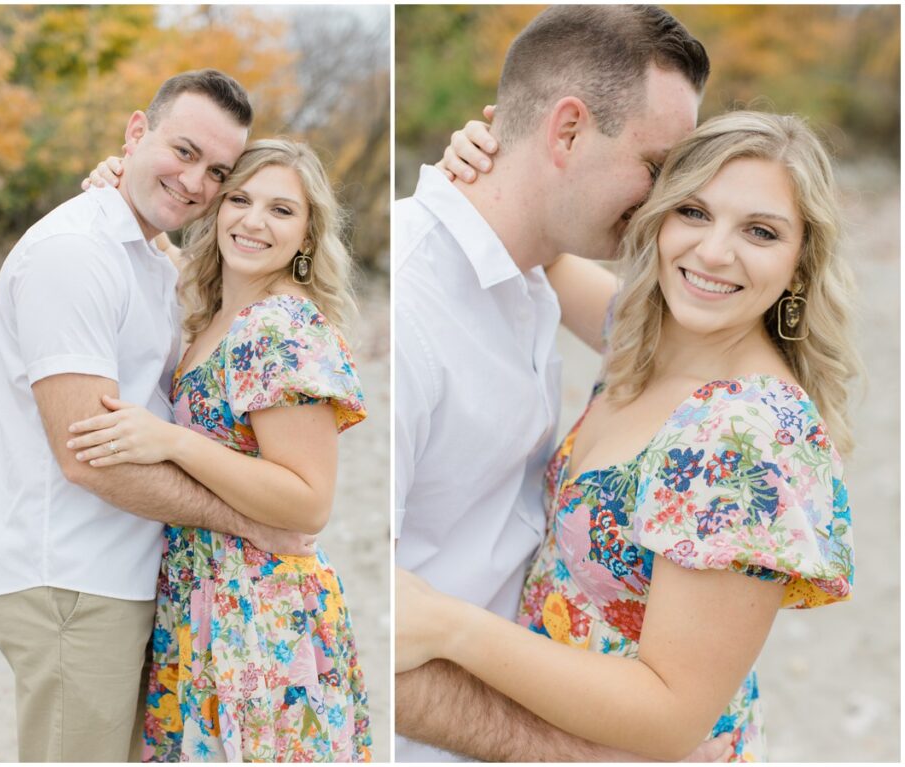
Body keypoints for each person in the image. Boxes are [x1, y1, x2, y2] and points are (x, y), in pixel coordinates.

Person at [397, 110, 859, 762]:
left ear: (801, 260)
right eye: (694, 212)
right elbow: (528, 240)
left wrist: (448, 626)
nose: (713, 251)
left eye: (760, 231)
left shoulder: (746, 440)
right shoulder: (646, 334)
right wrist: (483, 163)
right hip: (547, 733)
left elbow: (671, 714)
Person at [394, 5, 729, 761]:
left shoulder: (533, 274)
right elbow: (362, 622)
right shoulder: (417, 308)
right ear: (568, 130)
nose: (667, 200)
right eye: (657, 166)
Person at [0, 70, 316, 762]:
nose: (196, 181)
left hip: (135, 577)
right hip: (75, 582)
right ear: (137, 132)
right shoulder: (73, 255)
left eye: (217, 170)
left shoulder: (150, 260)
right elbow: (85, 456)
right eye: (183, 151)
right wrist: (248, 521)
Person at [68, 139, 372, 761]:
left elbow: (309, 502)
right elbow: (158, 244)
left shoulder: (279, 326)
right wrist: (116, 183)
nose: (254, 221)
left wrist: (173, 442)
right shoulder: (216, 310)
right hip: (201, 599)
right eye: (240, 199)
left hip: (260, 617)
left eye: (282, 210)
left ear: (309, 234)